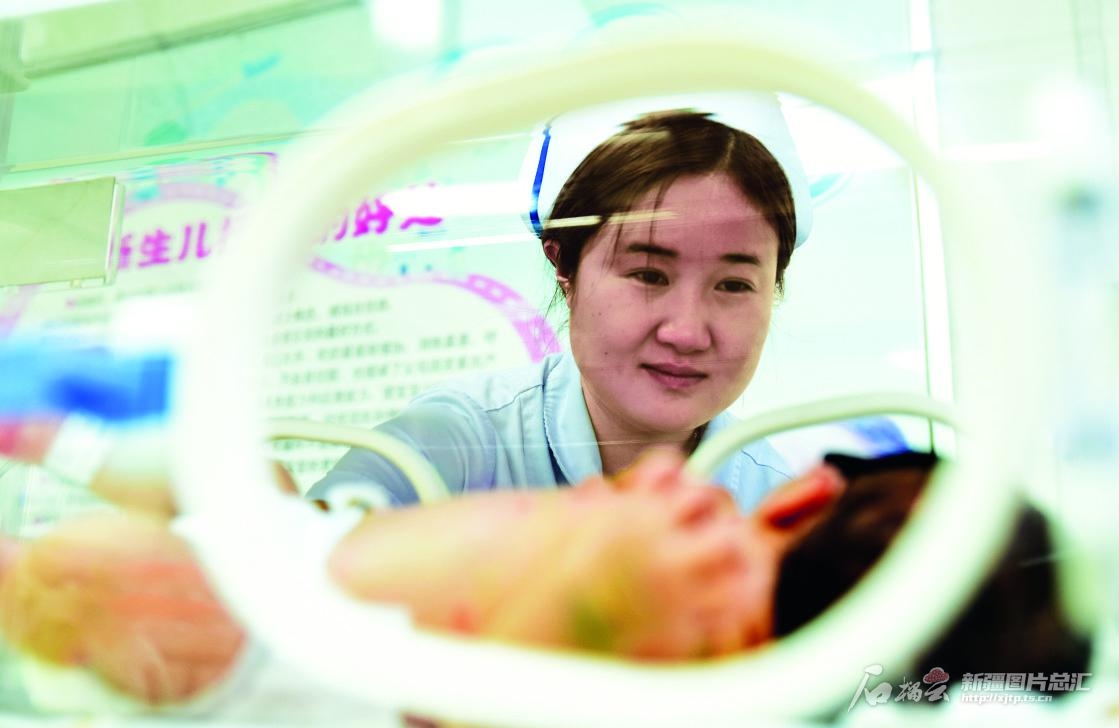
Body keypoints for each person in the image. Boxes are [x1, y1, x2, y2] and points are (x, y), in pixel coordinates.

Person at [0, 448, 1091, 713]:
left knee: (96, 581)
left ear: (808, 494)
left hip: (276, 641)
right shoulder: (727, 659)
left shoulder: (683, 544)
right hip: (302, 570)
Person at [309, 103, 808, 513]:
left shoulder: (777, 502)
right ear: (564, 267)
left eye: (734, 285)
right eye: (648, 275)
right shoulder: (455, 446)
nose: (687, 332)